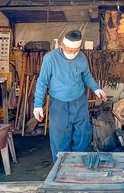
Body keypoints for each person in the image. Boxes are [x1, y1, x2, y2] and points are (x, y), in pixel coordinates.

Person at [33, 30, 107, 160]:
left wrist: (96, 89)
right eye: (70, 50)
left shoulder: (82, 57)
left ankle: (77, 160)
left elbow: (86, 75)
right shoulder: (50, 59)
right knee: (60, 136)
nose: (73, 53)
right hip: (58, 103)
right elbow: (42, 82)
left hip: (78, 101)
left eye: (76, 50)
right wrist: (38, 105)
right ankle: (61, 165)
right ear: (62, 45)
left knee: (83, 133)